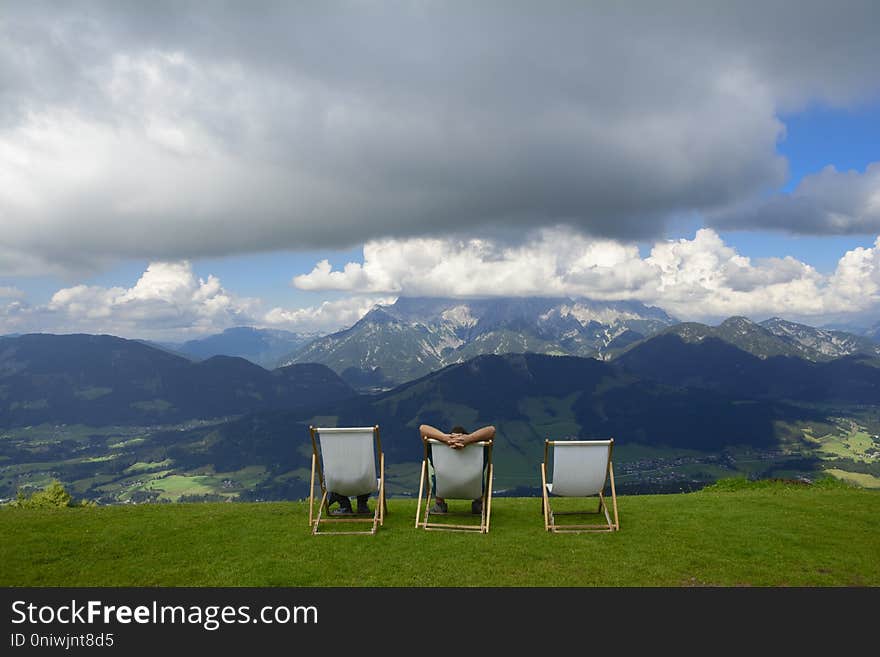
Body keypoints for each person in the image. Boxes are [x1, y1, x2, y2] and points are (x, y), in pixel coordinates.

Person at [419, 423, 495, 515]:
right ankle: (478, 504)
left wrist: (446, 439)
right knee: (484, 469)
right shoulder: (480, 449)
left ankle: (439, 504)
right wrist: (469, 439)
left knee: (431, 468)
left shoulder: (437, 449)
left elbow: (423, 428)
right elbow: (491, 430)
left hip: (442, 489)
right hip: (475, 489)